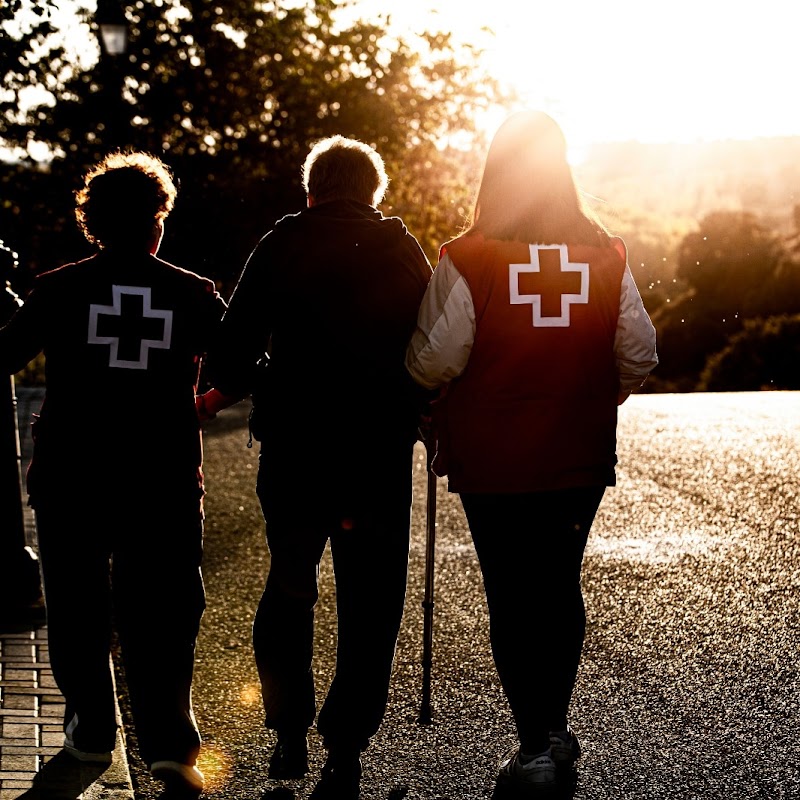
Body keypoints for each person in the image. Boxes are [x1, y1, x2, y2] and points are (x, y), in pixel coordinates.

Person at [405, 110, 658, 795]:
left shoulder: (470, 255)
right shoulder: (607, 254)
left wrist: (429, 387)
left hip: (494, 458)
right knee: (558, 584)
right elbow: (639, 351)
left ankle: (535, 744)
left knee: (512, 595)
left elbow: (434, 359)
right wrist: (601, 397)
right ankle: (551, 728)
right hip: (577, 451)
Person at [198, 135, 432, 799]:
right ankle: (347, 745)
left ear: (312, 188)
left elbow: (233, 348)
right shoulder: (399, 245)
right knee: (371, 599)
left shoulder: (282, 241)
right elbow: (433, 342)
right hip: (377, 453)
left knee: (290, 582)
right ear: (373, 192)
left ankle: (288, 730)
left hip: (296, 449)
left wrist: (229, 388)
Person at [0, 151, 228, 799]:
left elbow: (5, 354)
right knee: (167, 603)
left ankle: (94, 725)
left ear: (91, 225)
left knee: (76, 603)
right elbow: (247, 363)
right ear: (159, 224)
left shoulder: (59, 288)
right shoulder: (193, 292)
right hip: (163, 476)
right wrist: (203, 405)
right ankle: (171, 736)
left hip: (73, 472)